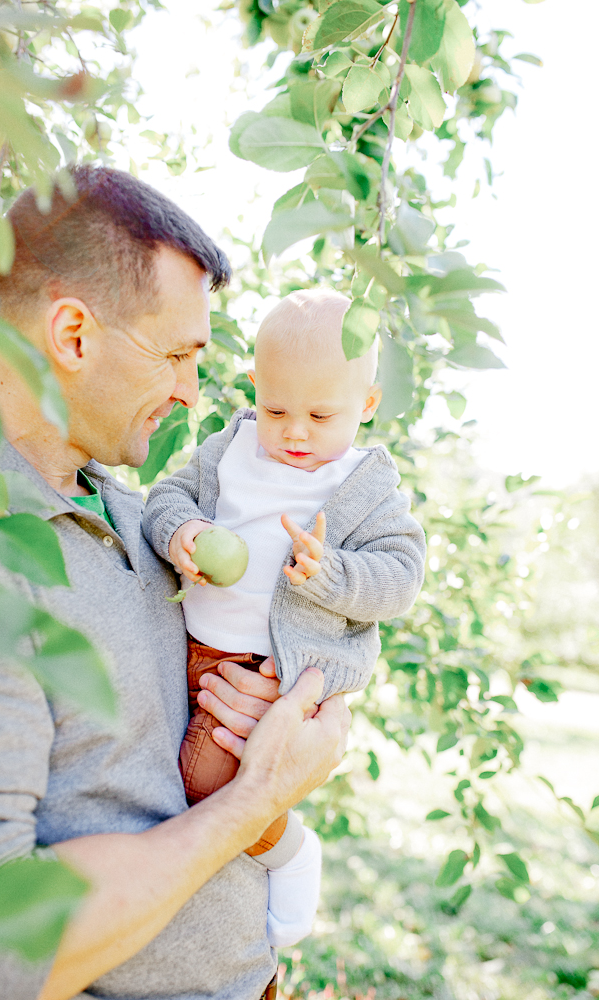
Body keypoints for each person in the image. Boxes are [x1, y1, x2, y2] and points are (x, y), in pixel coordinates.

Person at [0, 165, 350, 1000]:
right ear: (74, 335)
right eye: (177, 355)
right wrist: (261, 794)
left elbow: (146, 781)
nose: (193, 394)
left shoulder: (136, 517)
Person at [143, 288, 426, 945]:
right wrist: (179, 529)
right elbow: (167, 495)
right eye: (275, 408)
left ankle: (287, 849)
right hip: (181, 645)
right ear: (253, 389)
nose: (294, 432)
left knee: (201, 782)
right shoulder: (232, 447)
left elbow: (400, 579)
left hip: (263, 671)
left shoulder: (363, 486)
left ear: (367, 405)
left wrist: (328, 575)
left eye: (320, 414)